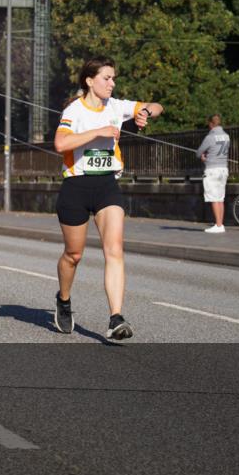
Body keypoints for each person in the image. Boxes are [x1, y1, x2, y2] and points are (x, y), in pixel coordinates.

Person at [52, 56, 163, 340]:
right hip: (76, 186)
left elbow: (156, 105)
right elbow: (61, 143)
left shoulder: (116, 106)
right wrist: (98, 132)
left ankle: (116, 317)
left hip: (107, 186)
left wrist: (145, 114)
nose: (112, 83)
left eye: (114, 78)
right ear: (90, 81)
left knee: (114, 250)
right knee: (73, 255)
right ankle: (64, 300)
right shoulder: (74, 111)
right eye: (106, 78)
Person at [197, 114, 230, 234]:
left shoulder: (210, 137)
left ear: (211, 124)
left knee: (214, 198)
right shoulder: (227, 136)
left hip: (212, 170)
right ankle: (220, 223)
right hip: (223, 169)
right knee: (220, 198)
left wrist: (203, 157)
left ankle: (218, 225)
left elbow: (199, 152)